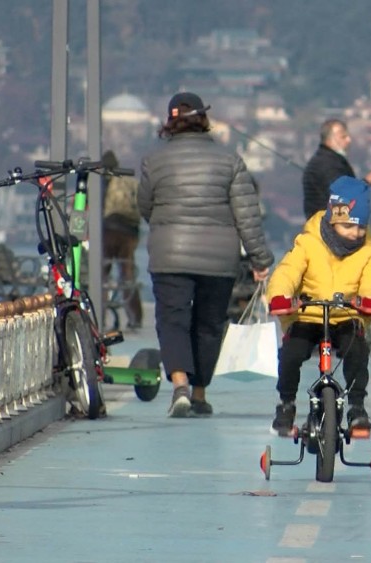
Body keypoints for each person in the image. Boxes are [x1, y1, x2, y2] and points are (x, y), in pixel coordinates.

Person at [138, 92, 273, 418]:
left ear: (170, 122)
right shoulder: (230, 160)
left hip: (170, 255)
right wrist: (259, 259)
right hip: (219, 260)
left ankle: (180, 385)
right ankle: (200, 394)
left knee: (173, 320)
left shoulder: (154, 161)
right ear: (203, 119)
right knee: (209, 325)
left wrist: (167, 228)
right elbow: (247, 214)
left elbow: (145, 206)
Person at [267, 176, 371, 435]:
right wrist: (280, 296)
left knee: (357, 352)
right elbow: (287, 272)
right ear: (333, 219)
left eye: (361, 227)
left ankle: (357, 407)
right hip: (308, 315)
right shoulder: (308, 243)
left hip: (345, 315)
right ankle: (286, 403)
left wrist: (370, 299)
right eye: (348, 226)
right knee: (291, 353)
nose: (355, 233)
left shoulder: (367, 251)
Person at [301, 119, 371, 219]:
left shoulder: (330, 160)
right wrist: (367, 182)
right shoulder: (327, 163)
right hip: (326, 227)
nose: (348, 140)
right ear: (329, 140)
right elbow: (341, 193)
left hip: (331, 223)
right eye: (343, 137)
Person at [101, 150, 143, 330]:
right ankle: (135, 317)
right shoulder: (129, 180)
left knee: (101, 274)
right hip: (130, 232)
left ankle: (98, 313)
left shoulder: (102, 180)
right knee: (127, 274)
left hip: (108, 229)